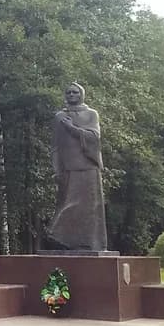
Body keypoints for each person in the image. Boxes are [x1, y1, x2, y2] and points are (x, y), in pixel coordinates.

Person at [46, 82, 108, 251]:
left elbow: (94, 137)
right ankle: (63, 238)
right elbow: (55, 146)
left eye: (75, 92)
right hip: (67, 168)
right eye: (68, 92)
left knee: (88, 207)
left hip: (88, 167)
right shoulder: (59, 116)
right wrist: (56, 168)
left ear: (81, 94)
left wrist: (71, 128)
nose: (71, 95)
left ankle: (90, 242)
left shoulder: (91, 114)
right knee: (66, 202)